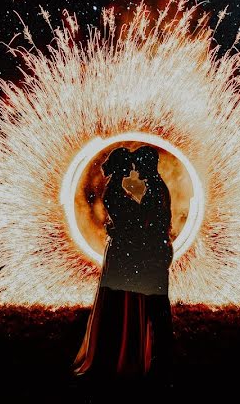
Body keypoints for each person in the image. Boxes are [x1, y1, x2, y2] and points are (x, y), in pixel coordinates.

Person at [72, 145, 175, 380]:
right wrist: (119, 229)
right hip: (126, 253)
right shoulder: (122, 190)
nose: (134, 168)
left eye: (137, 162)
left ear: (148, 164)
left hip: (144, 255)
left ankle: (151, 359)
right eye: (131, 163)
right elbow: (135, 223)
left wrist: (119, 229)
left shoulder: (154, 190)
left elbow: (142, 223)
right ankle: (132, 356)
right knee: (131, 303)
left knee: (150, 306)